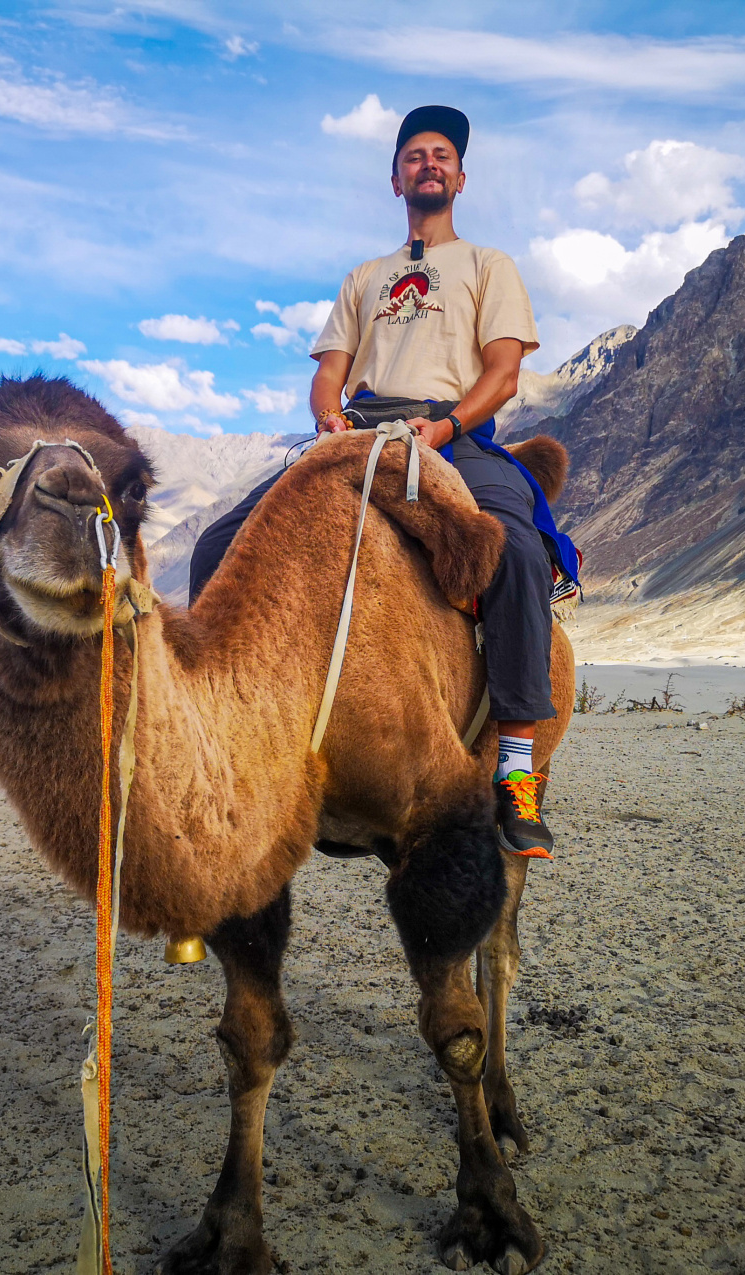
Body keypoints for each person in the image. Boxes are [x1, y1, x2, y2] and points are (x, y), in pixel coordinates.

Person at [188, 104, 570, 857]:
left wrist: (449, 427)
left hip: (451, 436)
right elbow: (329, 375)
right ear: (394, 178)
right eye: (414, 156)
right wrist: (329, 419)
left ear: (461, 176)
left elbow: (502, 372)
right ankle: (227, 738)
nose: (428, 164)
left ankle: (517, 768)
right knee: (216, 546)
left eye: (441, 155)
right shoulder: (364, 278)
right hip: (358, 434)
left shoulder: (489, 266)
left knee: (516, 551)